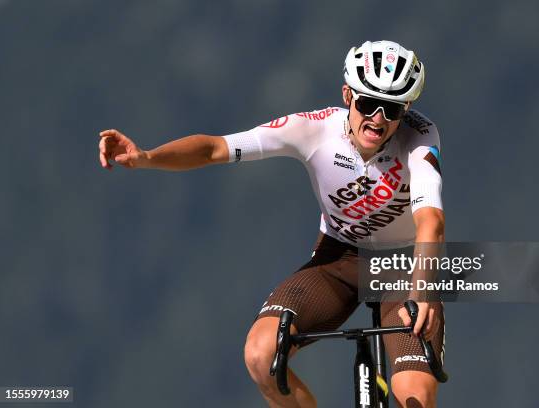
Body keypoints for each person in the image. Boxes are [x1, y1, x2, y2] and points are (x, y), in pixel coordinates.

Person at [98, 40, 445, 408]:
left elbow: (431, 222)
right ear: (347, 96)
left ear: (405, 110)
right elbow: (214, 148)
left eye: (391, 109)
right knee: (262, 356)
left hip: (407, 266)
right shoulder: (313, 130)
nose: (377, 118)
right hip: (338, 259)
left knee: (415, 400)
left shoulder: (420, 137)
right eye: (367, 104)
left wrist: (422, 290)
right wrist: (146, 158)